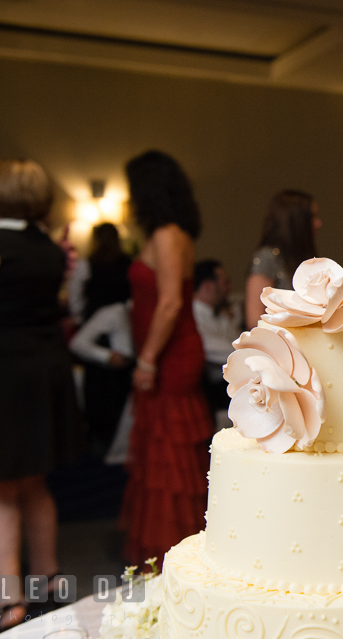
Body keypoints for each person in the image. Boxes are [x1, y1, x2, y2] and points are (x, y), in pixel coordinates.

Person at [0, 159, 80, 629]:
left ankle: (12, 603)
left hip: (1, 374)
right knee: (36, 485)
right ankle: (51, 582)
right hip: (45, 370)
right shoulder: (50, 247)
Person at [119, 150, 212, 566]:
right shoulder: (169, 232)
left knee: (167, 453)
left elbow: (171, 302)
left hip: (171, 354)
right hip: (168, 351)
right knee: (165, 450)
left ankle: (170, 551)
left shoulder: (167, 233)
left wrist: (148, 360)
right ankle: (171, 550)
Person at [73, 222, 133, 454]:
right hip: (124, 326)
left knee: (96, 385)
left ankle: (99, 436)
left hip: (95, 328)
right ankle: (116, 435)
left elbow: (76, 299)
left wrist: (80, 318)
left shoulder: (87, 265)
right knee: (119, 384)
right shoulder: (128, 264)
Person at [244, 190, 319, 328]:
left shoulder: (301, 259)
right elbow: (254, 318)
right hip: (280, 344)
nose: (318, 223)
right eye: (312, 217)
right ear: (296, 221)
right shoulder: (267, 257)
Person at [192, 258, 241, 417]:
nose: (229, 288)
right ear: (207, 286)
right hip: (214, 392)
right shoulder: (194, 317)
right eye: (225, 283)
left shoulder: (221, 312)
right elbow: (231, 351)